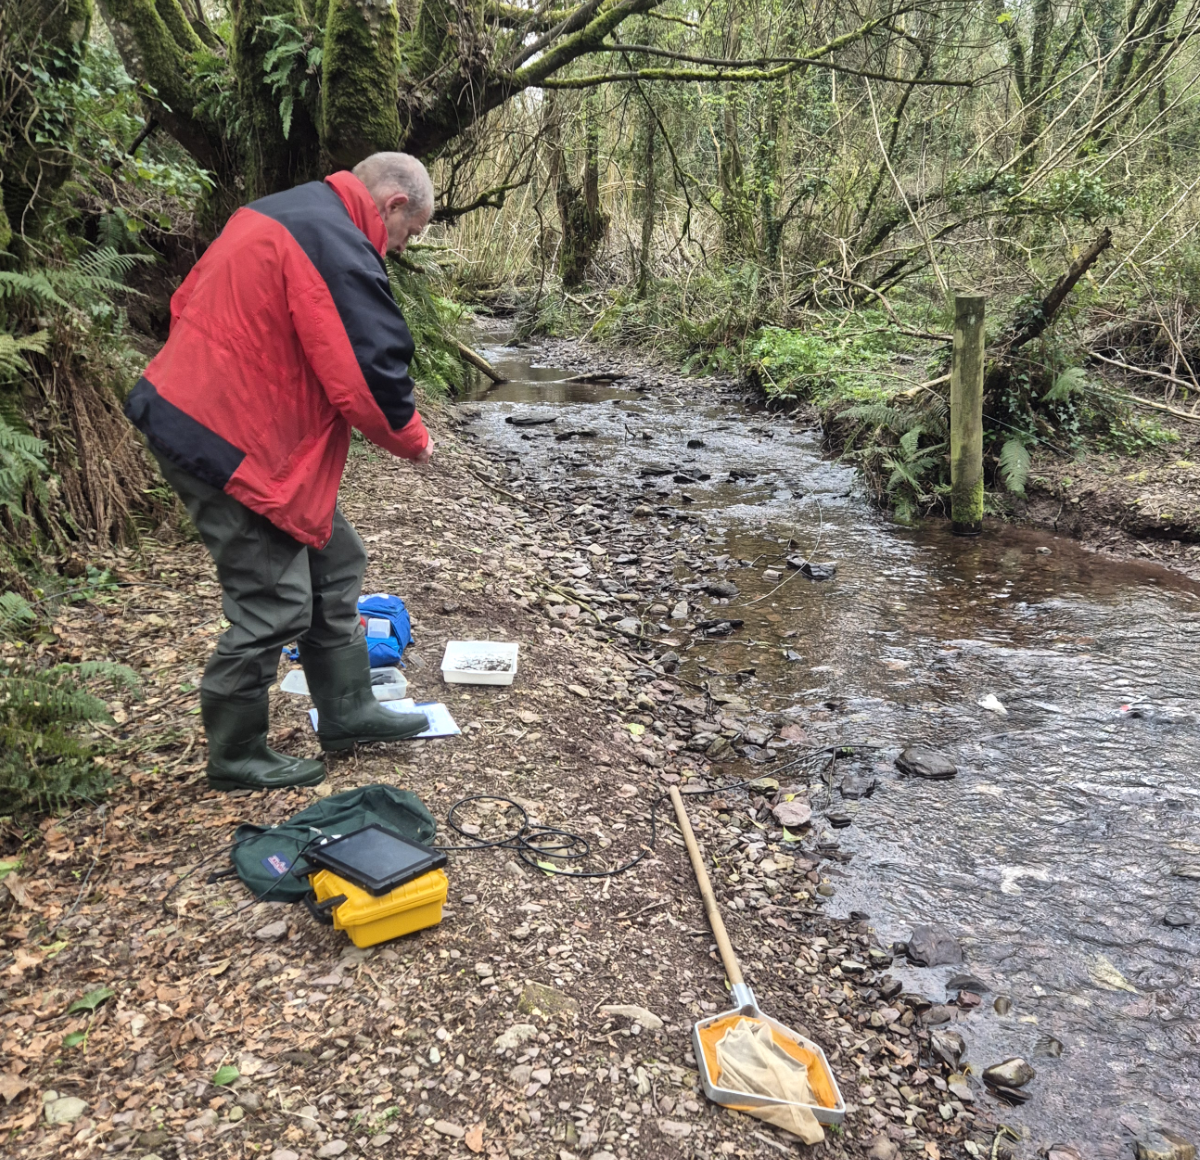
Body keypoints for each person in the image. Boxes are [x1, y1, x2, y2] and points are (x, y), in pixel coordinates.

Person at [125, 152, 438, 792]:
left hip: (236, 421)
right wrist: (413, 440)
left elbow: (188, 303)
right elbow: (368, 370)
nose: (398, 251)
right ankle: (237, 753)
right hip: (224, 437)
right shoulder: (336, 242)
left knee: (336, 556)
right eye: (405, 237)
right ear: (393, 205)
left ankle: (348, 712)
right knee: (275, 600)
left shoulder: (279, 210)